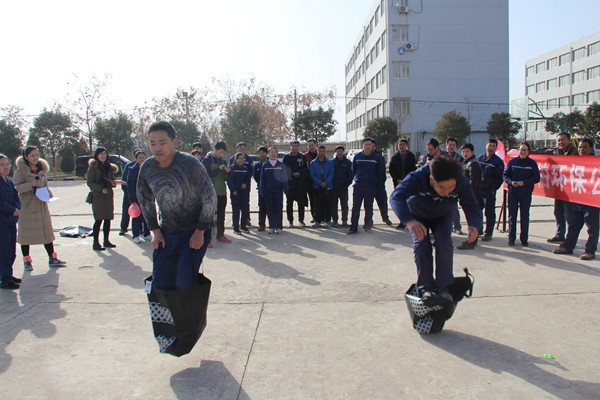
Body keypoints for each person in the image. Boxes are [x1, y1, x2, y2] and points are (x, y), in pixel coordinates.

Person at [390, 156, 482, 305]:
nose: (447, 191)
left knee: (444, 242)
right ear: (432, 179)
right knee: (422, 244)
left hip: (442, 214)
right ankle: (425, 286)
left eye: (451, 187)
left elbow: (471, 204)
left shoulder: (461, 180)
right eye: (442, 187)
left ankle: (443, 286)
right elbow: (396, 197)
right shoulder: (418, 177)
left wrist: (474, 224)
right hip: (418, 215)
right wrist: (409, 220)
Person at [137, 121, 216, 290]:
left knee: (184, 283)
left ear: (174, 142)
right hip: (166, 233)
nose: (157, 148)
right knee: (160, 284)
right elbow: (145, 200)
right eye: (153, 144)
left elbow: (209, 197)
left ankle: (188, 308)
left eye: (162, 143)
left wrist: (200, 231)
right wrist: (155, 231)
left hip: (192, 233)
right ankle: (165, 309)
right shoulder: (147, 168)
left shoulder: (190, 164)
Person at [12, 146, 66, 269]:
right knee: (26, 235)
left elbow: (45, 185)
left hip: (41, 205)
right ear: (26, 157)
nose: (35, 158)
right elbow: (16, 187)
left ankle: (52, 258)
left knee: (46, 232)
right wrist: (30, 185)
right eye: (32, 155)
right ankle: (27, 261)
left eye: (37, 155)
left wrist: (48, 193)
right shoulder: (21, 171)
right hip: (27, 207)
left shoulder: (41, 169)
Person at [553, 138, 598, 260]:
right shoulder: (575, 161)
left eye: (585, 147)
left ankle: (590, 250)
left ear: (591, 149)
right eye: (580, 147)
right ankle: (568, 246)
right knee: (573, 224)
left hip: (592, 200)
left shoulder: (596, 162)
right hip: (578, 198)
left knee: (592, 227)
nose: (581, 149)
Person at [503, 141, 540, 246]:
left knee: (524, 216)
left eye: (525, 150)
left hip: (525, 193)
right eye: (521, 150)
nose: (523, 152)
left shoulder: (532, 163)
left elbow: (536, 177)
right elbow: (505, 175)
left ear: (528, 152)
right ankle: (511, 238)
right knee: (512, 216)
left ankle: (524, 239)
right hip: (513, 193)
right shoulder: (512, 162)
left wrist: (524, 182)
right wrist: (511, 182)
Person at [347, 138, 386, 234]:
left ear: (372, 146)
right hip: (359, 186)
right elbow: (353, 170)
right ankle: (353, 227)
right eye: (366, 144)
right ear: (362, 146)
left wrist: (374, 181)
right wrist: (358, 178)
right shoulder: (357, 157)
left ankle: (367, 226)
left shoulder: (377, 158)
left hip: (370, 186)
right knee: (356, 207)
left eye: (369, 145)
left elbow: (380, 172)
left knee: (368, 207)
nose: (368, 146)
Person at [548, 132, 578, 243]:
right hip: (559, 188)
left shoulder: (574, 153)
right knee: (558, 212)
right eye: (559, 140)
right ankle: (560, 234)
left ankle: (570, 237)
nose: (561, 142)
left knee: (569, 214)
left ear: (569, 140)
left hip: (569, 189)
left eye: (563, 140)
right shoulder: (559, 152)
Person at [87, 147, 118, 251]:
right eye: (101, 154)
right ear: (97, 155)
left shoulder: (109, 166)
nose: (103, 156)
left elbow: (112, 179)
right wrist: (100, 189)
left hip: (108, 195)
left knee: (108, 219)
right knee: (98, 219)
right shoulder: (93, 166)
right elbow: (90, 182)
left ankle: (106, 241)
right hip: (98, 196)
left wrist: (113, 183)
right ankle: (96, 243)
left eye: (104, 154)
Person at [202, 141, 231, 243]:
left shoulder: (223, 161)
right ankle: (207, 238)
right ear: (214, 149)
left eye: (222, 152)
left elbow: (226, 178)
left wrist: (227, 173)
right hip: (210, 192)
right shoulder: (206, 160)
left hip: (222, 192)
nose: (221, 154)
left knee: (221, 215)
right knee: (209, 216)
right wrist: (219, 169)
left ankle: (220, 235)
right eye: (220, 152)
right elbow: (206, 176)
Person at [0, 154, 21, 289]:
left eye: (7, 164)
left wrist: (17, 208)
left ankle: (7, 274)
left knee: (12, 250)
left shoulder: (9, 181)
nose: (6, 167)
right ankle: (5, 279)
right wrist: (11, 209)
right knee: (4, 251)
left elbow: (16, 198)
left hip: (11, 221)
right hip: (2, 222)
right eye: (2, 165)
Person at [478, 138, 505, 241]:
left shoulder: (498, 162)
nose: (491, 148)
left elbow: (499, 178)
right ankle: (478, 229)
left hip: (489, 191)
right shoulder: (480, 158)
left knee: (489, 212)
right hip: (479, 189)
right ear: (486, 146)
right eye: (490, 145)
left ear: (496, 148)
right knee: (477, 210)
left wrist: (493, 189)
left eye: (493, 146)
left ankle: (488, 233)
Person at [456, 143, 482, 250]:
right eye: (463, 151)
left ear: (472, 152)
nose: (465, 153)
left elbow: (474, 182)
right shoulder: (466, 163)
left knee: (472, 220)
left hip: (472, 197)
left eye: (467, 151)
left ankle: (472, 242)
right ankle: (471, 240)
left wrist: (468, 194)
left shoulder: (473, 164)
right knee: (470, 219)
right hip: (468, 196)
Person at [388, 139, 417, 229]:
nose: (401, 146)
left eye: (403, 144)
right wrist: (397, 179)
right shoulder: (395, 156)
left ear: (406, 145)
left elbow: (414, 169)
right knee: (400, 203)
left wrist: (407, 179)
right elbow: (391, 170)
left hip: (408, 183)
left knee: (409, 202)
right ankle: (402, 222)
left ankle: (410, 222)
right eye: (400, 145)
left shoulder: (411, 156)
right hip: (398, 183)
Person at [260, 147, 289, 234]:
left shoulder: (281, 165)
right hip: (268, 192)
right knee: (270, 209)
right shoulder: (265, 166)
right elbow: (262, 180)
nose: (273, 154)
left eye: (275, 152)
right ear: (268, 154)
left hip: (278, 191)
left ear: (277, 154)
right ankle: (271, 226)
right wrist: (262, 190)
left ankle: (279, 227)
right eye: (271, 152)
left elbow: (284, 178)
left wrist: (286, 189)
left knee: (278, 209)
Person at [126, 150, 151, 244]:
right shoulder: (132, 170)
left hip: (147, 197)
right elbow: (130, 186)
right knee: (136, 217)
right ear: (136, 159)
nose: (142, 159)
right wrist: (133, 200)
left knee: (147, 216)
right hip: (136, 197)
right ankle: (135, 235)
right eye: (140, 158)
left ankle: (147, 233)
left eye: (143, 157)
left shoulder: (148, 169)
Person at [283, 140, 309, 228]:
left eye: (296, 146)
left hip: (300, 184)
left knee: (301, 203)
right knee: (289, 203)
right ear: (290, 147)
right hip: (290, 184)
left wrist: (300, 173)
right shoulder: (286, 157)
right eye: (293, 146)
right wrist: (292, 174)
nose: (295, 148)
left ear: (299, 147)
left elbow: (306, 169)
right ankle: (290, 221)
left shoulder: (302, 157)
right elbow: (284, 170)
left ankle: (301, 220)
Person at [228, 142, 253, 226]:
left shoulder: (248, 159)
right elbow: (230, 176)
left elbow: (250, 172)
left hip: (245, 187)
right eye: (240, 149)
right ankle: (235, 224)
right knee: (236, 207)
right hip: (235, 188)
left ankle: (246, 221)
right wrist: (233, 189)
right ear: (237, 149)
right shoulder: (232, 159)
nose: (242, 150)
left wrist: (245, 183)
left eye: (243, 149)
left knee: (245, 205)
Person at [309, 145, 334, 228]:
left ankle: (328, 221)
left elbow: (331, 174)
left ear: (325, 152)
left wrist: (326, 182)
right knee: (317, 204)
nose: (321, 153)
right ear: (317, 152)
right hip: (317, 186)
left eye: (323, 151)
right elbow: (312, 175)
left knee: (328, 204)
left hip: (328, 186)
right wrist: (320, 183)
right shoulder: (313, 163)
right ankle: (317, 221)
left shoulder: (330, 162)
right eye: (320, 151)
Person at [371, 140, 393, 226]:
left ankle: (385, 217)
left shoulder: (380, 157)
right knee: (369, 204)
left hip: (379, 184)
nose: (371, 147)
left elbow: (382, 171)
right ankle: (369, 220)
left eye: (373, 146)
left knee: (383, 202)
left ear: (375, 147)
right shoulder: (364, 157)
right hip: (369, 184)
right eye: (370, 145)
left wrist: (381, 180)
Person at [331, 145, 353, 227]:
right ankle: (335, 221)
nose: (339, 153)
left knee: (344, 205)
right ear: (335, 153)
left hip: (343, 187)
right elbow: (329, 174)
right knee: (334, 205)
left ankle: (344, 221)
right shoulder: (332, 162)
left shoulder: (348, 163)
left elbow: (351, 176)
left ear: (343, 152)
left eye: (341, 151)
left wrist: (346, 184)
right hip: (333, 187)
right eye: (338, 152)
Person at [119, 154, 137, 236]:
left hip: (139, 193)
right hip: (129, 192)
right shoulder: (129, 166)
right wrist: (126, 191)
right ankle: (123, 228)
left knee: (139, 212)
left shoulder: (144, 166)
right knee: (126, 211)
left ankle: (140, 228)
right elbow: (124, 180)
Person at [253, 146, 269, 231]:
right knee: (262, 207)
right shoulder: (256, 166)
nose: (261, 154)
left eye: (263, 152)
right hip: (261, 190)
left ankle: (273, 224)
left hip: (271, 189)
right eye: (260, 153)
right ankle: (261, 224)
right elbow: (256, 177)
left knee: (271, 207)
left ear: (267, 153)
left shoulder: (271, 163)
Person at [303, 139, 318, 222]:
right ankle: (314, 217)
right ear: (307, 146)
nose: (311, 147)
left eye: (312, 145)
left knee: (321, 200)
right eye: (309, 145)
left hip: (320, 181)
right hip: (309, 182)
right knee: (312, 200)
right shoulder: (304, 156)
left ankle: (322, 217)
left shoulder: (320, 154)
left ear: (315, 145)